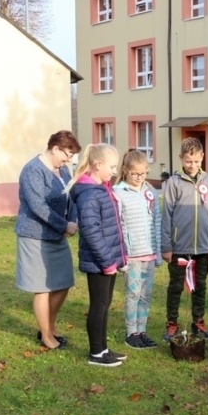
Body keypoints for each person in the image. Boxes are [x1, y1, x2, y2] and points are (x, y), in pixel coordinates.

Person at [15, 130, 80, 350]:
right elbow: (38, 207)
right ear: (55, 148)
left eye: (71, 156)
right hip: (34, 236)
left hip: (57, 236)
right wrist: (64, 225)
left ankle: (49, 326)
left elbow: (72, 197)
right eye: (67, 155)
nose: (68, 160)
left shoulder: (62, 171)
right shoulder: (32, 170)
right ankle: (46, 336)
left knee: (62, 284)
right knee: (42, 288)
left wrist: (73, 220)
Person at [65, 143, 129, 367]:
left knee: (105, 303)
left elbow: (113, 227)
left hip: (108, 260)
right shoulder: (90, 194)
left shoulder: (102, 189)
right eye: (111, 166)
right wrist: (107, 262)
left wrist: (120, 257)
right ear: (98, 164)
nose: (114, 171)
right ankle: (96, 353)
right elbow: (92, 232)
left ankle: (103, 349)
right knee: (99, 304)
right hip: (99, 261)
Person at [161, 137, 208, 341]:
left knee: (200, 285)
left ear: (202, 157)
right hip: (179, 247)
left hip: (204, 247)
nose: (192, 165)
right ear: (181, 158)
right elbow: (167, 215)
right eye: (188, 161)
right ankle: (172, 323)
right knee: (176, 286)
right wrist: (167, 245)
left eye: (196, 161)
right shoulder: (173, 182)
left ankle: (198, 322)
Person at [113, 149, 162, 349]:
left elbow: (156, 221)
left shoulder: (150, 192)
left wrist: (158, 253)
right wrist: (120, 257)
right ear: (125, 171)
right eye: (135, 174)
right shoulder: (118, 193)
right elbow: (116, 226)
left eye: (143, 174)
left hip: (149, 253)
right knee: (133, 294)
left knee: (146, 294)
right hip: (131, 255)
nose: (139, 178)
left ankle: (142, 330)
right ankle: (131, 332)